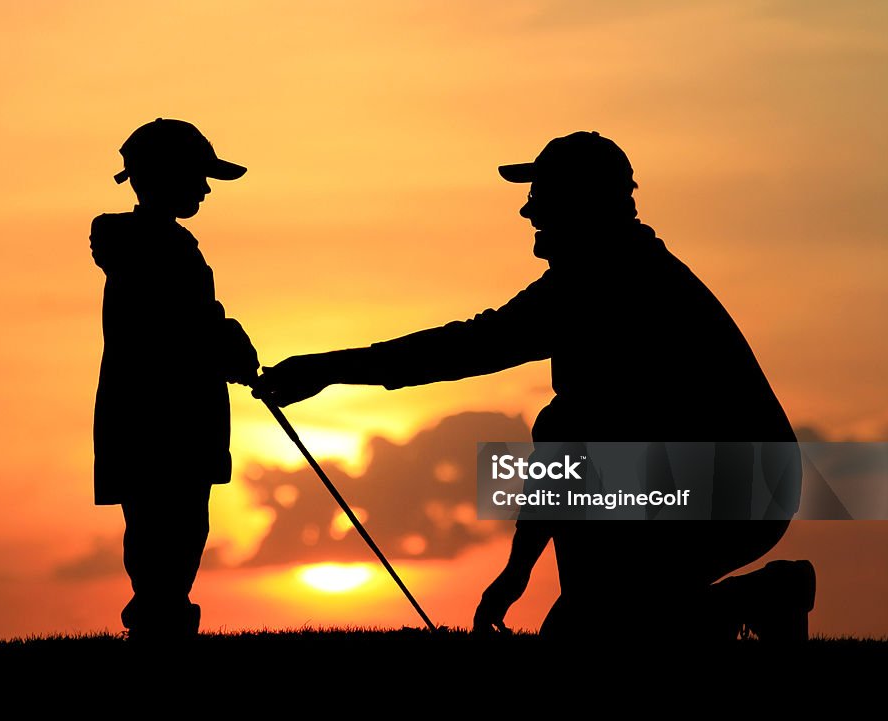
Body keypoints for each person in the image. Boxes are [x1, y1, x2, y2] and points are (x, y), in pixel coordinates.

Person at [253, 131, 814, 642]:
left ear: (581, 200)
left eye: (541, 195)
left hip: (728, 490)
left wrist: (325, 368)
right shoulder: (621, 269)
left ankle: (760, 596)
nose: (527, 209)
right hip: (738, 486)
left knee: (590, 633)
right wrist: (519, 571)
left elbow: (475, 355)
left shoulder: (601, 283)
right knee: (597, 621)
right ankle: (746, 602)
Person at [90, 118, 259, 643]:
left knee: (169, 532)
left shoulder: (159, 244)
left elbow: (191, 320)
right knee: (168, 532)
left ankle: (161, 625)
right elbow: (182, 324)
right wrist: (227, 338)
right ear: (164, 177)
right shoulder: (155, 245)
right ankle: (161, 632)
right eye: (197, 177)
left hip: (158, 418)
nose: (206, 189)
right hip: (168, 421)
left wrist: (224, 337)